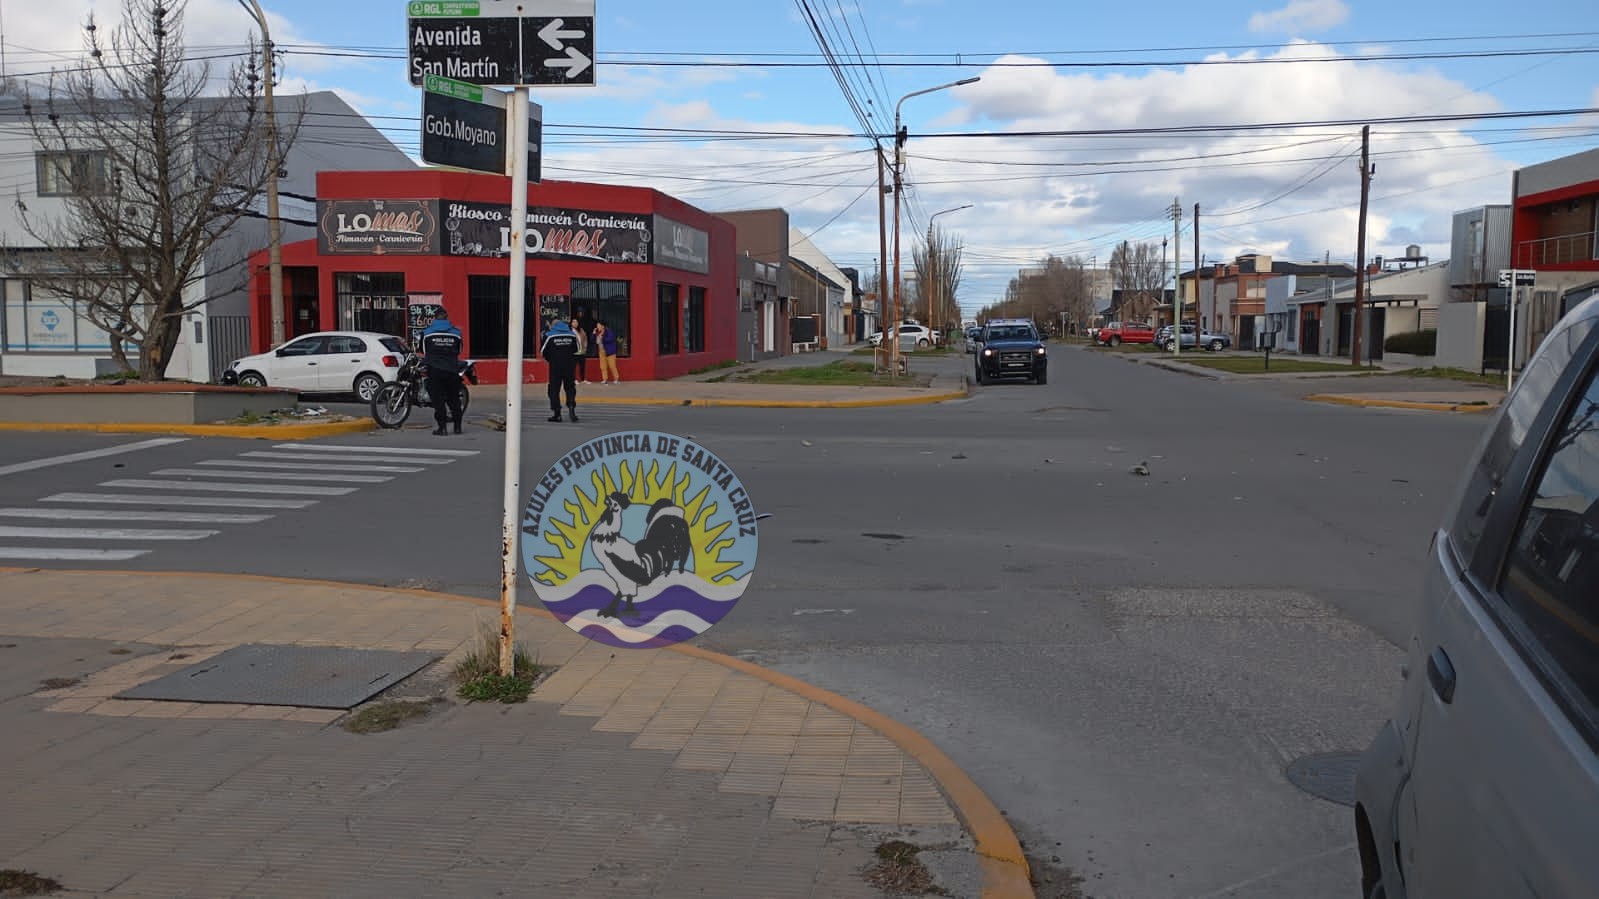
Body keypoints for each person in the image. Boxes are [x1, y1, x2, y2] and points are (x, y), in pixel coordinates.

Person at [418, 309, 464, 436]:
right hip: (452, 370)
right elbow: (459, 350)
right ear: (446, 318)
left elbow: (422, 350)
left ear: (435, 318)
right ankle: (457, 427)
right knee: (454, 399)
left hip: (435, 370)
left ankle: (442, 428)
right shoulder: (457, 333)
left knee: (438, 400)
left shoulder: (427, 333)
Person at [541, 319, 580, 423]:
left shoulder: (549, 335)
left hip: (555, 366)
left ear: (553, 326)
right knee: (570, 388)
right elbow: (577, 350)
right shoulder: (572, 335)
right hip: (569, 366)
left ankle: (557, 414)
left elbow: (543, 351)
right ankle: (572, 409)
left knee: (553, 389)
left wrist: (551, 359)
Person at [570, 318, 590, 384]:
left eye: (576, 322)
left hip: (581, 352)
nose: (575, 323)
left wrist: (585, 347)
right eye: (574, 322)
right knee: (573, 367)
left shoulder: (581, 330)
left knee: (582, 366)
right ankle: (574, 379)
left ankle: (583, 379)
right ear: (571, 323)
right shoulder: (570, 331)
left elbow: (585, 339)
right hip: (574, 352)